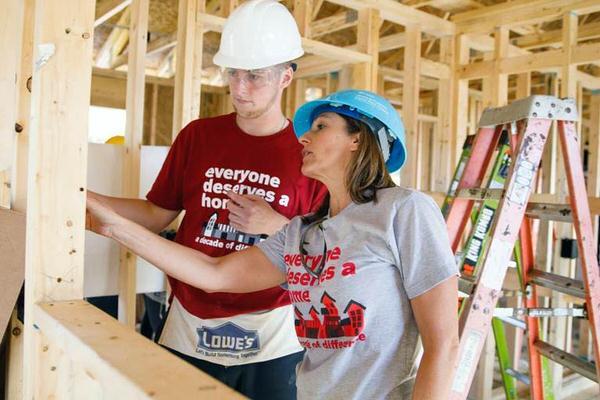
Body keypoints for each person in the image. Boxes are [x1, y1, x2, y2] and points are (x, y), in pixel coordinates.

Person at [87, 89, 460, 399]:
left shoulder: (404, 211)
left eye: (320, 126)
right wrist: (116, 227)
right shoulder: (302, 233)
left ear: (357, 139)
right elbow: (214, 273)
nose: (304, 137)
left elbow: (443, 344)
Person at [86, 1, 326, 398]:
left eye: (255, 76)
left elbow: (326, 251)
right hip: (187, 322)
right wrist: (82, 199)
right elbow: (156, 214)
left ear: (286, 76)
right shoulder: (199, 137)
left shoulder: (308, 153)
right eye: (232, 73)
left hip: (272, 335)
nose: (239, 88)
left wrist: (276, 226)